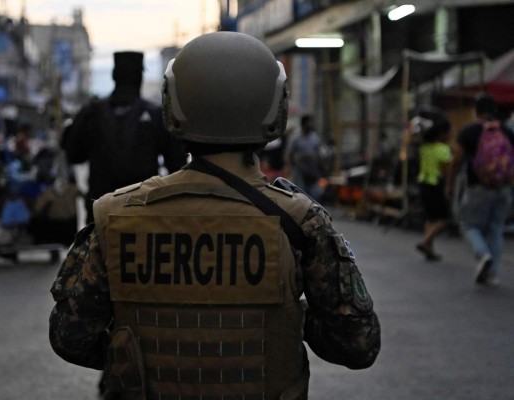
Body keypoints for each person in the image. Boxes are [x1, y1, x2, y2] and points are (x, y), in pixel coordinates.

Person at [49, 32, 381, 400]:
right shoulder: (301, 220)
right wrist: (288, 319)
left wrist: (137, 352)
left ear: (173, 107)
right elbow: (358, 344)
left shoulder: (112, 216)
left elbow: (71, 338)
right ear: (275, 108)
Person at [61, 51, 187, 223]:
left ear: (114, 76)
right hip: (142, 215)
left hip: (101, 216)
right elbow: (177, 168)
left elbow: (74, 155)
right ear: (140, 77)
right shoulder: (156, 115)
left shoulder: (92, 113)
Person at [446, 93, 514, 286]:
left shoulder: (470, 131)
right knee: (496, 229)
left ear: (476, 111)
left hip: (478, 188)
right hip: (503, 189)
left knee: (468, 225)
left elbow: (456, 161)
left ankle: (482, 254)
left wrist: (450, 184)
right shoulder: (507, 132)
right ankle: (492, 275)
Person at [413, 107, 453, 261]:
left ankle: (429, 249)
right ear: (441, 133)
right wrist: (450, 186)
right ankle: (426, 241)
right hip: (436, 185)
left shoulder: (424, 148)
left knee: (431, 218)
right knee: (443, 219)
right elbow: (446, 171)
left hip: (423, 183)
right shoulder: (443, 149)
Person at [286, 114, 325, 201]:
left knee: (314, 194)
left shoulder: (315, 137)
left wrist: (321, 166)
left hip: (312, 170)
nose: (310, 125)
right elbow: (288, 154)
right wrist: (290, 167)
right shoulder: (296, 137)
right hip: (300, 170)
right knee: (301, 193)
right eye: (308, 123)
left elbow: (319, 153)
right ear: (303, 124)